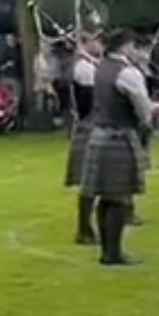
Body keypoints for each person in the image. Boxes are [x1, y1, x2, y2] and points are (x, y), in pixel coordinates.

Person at [80, 29, 159, 266]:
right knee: (120, 198)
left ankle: (107, 251)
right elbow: (144, 112)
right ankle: (113, 253)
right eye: (135, 47)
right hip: (119, 137)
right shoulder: (128, 73)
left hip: (99, 135)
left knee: (106, 197)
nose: (137, 52)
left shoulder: (101, 67)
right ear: (125, 46)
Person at [65, 33, 102, 245]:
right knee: (90, 180)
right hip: (90, 124)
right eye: (96, 40)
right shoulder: (84, 68)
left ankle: (87, 228)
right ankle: (84, 228)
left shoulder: (90, 65)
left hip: (91, 124)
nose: (100, 44)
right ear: (85, 43)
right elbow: (88, 102)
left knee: (96, 180)